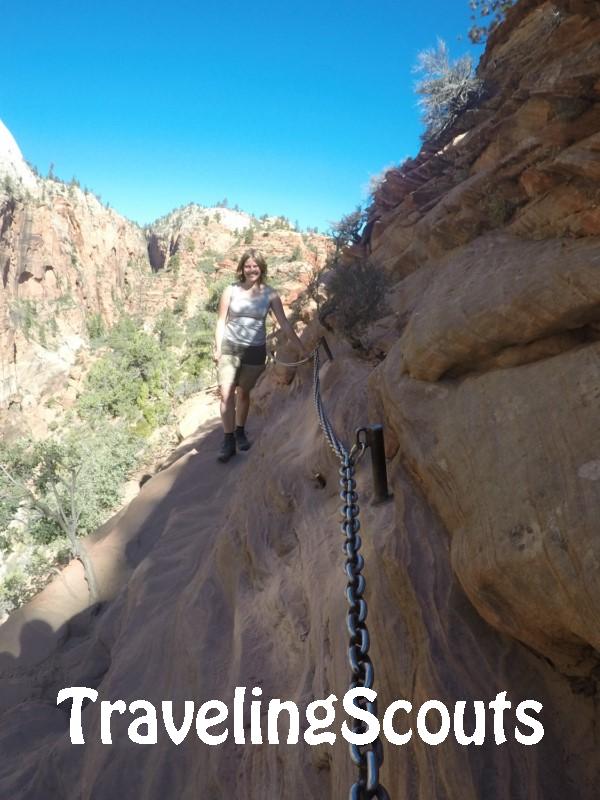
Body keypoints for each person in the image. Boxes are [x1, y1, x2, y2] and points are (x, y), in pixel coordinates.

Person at [213, 248, 306, 462]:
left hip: (255, 351)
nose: (251, 270)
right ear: (242, 269)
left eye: (255, 266)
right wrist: (218, 348)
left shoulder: (270, 294)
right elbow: (220, 321)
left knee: (244, 394)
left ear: (261, 268)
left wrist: (301, 347)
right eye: (247, 266)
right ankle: (228, 440)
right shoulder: (231, 290)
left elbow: (283, 323)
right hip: (230, 347)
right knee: (226, 394)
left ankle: (239, 431)